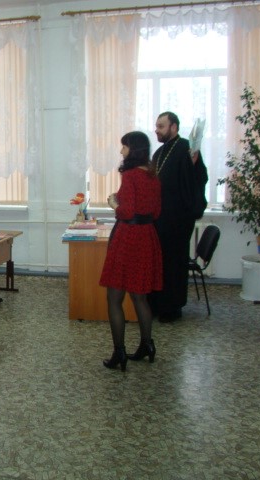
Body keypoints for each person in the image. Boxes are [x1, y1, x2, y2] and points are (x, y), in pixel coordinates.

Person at [100, 131, 162, 371]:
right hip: (146, 236)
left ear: (133, 150)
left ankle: (119, 352)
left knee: (114, 298)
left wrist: (114, 203)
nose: (121, 151)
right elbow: (155, 212)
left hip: (128, 238)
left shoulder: (130, 175)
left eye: (124, 146)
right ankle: (147, 345)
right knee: (140, 296)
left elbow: (126, 212)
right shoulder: (153, 175)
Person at [148, 112, 208, 322]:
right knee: (159, 263)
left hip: (178, 220)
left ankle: (172, 308)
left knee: (173, 263)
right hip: (159, 219)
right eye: (156, 126)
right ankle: (156, 304)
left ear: (173, 127)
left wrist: (195, 163)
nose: (157, 130)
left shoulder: (186, 148)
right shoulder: (159, 152)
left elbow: (200, 177)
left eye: (161, 126)